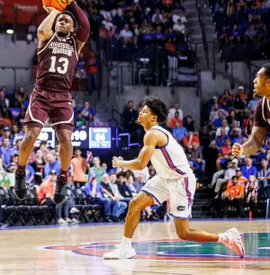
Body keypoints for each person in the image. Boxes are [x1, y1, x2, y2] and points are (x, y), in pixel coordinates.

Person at [103, 96, 244, 260]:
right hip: (164, 178)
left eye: (145, 111)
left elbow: (141, 164)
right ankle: (125, 248)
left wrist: (121, 163)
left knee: (183, 233)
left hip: (180, 181)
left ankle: (227, 237)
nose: (140, 113)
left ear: (153, 117)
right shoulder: (151, 133)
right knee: (135, 204)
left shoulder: (153, 134)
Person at [14, 0, 90, 205]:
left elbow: (85, 25)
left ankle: (63, 178)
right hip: (42, 93)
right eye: (60, 21)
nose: (63, 23)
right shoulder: (46, 38)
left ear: (72, 27)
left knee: (66, 141)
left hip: (63, 96)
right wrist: (55, 11)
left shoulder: (76, 43)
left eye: (67, 21)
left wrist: (71, 3)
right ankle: (20, 173)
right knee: (31, 136)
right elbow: (41, 31)